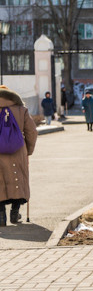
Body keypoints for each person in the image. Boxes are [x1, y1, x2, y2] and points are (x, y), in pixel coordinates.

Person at [0, 85, 37, 226]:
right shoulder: (21, 109)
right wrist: (28, 150)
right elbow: (32, 131)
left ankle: (1, 216)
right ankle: (15, 214)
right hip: (18, 150)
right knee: (18, 179)